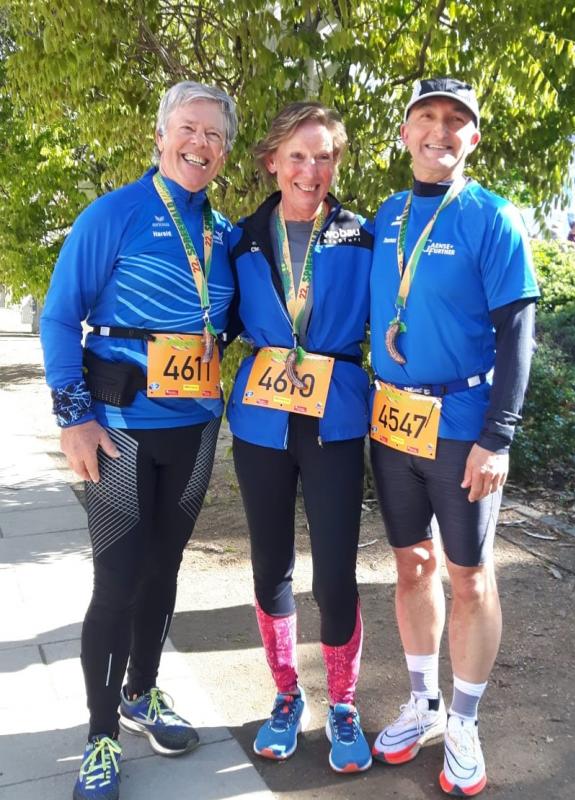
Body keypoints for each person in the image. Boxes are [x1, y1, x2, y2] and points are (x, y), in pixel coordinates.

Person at [40, 81, 237, 800]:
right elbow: (59, 316)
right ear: (160, 136)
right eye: (188, 128)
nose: (199, 143)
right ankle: (100, 736)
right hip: (119, 431)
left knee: (163, 570)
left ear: (226, 150)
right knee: (118, 581)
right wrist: (73, 417)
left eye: (214, 134)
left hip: (195, 430)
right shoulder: (114, 213)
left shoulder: (224, 233)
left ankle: (141, 693)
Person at [369, 77, 539, 795]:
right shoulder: (386, 216)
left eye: (455, 120)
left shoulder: (492, 217)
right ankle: (423, 702)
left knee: (469, 576)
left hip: (463, 429)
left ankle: (464, 722)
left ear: (473, 137)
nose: (440, 130)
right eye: (426, 117)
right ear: (405, 132)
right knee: (412, 565)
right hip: (392, 423)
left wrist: (497, 437)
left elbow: (518, 333)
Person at [227, 102, 373, 773]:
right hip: (262, 416)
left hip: (334, 414)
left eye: (324, 157)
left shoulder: (361, 236)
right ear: (272, 162)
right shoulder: (240, 239)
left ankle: (342, 702)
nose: (310, 170)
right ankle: (287, 694)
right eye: (297, 156)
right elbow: (214, 315)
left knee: (336, 570)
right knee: (270, 563)